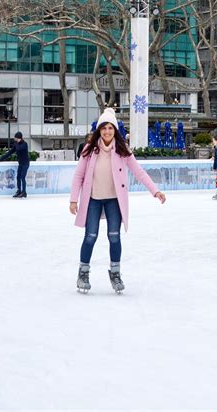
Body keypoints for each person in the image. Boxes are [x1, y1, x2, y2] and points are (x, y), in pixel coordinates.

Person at [69, 108, 166, 294]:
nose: (107, 131)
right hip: (93, 200)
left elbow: (139, 172)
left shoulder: (122, 150)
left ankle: (115, 273)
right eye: (104, 128)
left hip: (114, 200)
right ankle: (83, 273)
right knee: (90, 236)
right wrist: (74, 199)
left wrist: (155, 191)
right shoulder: (89, 149)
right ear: (99, 130)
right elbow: (78, 175)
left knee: (114, 236)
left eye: (110, 128)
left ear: (115, 130)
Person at [0, 132, 30, 198]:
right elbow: (10, 152)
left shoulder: (24, 144)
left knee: (22, 177)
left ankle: (24, 192)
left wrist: (15, 143)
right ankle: (19, 191)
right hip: (20, 163)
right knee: (18, 177)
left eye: (15, 138)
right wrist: (1, 158)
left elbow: (19, 148)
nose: (14, 139)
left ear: (18, 138)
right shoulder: (16, 144)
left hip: (25, 163)